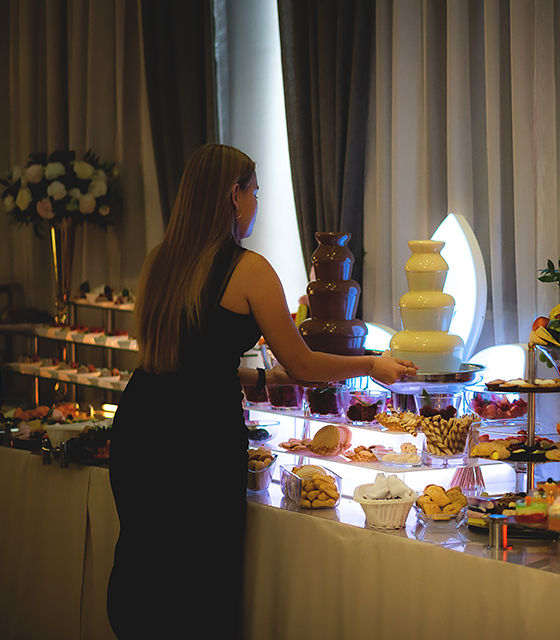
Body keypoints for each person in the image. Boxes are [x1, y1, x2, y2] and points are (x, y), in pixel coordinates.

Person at [106, 143, 416, 639]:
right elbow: (303, 362)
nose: (256, 204)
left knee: (147, 560)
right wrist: (371, 363)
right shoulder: (249, 269)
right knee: (199, 578)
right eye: (255, 193)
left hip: (140, 426)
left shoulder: (160, 262)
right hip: (198, 439)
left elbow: (185, 365)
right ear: (234, 195)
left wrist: (261, 380)